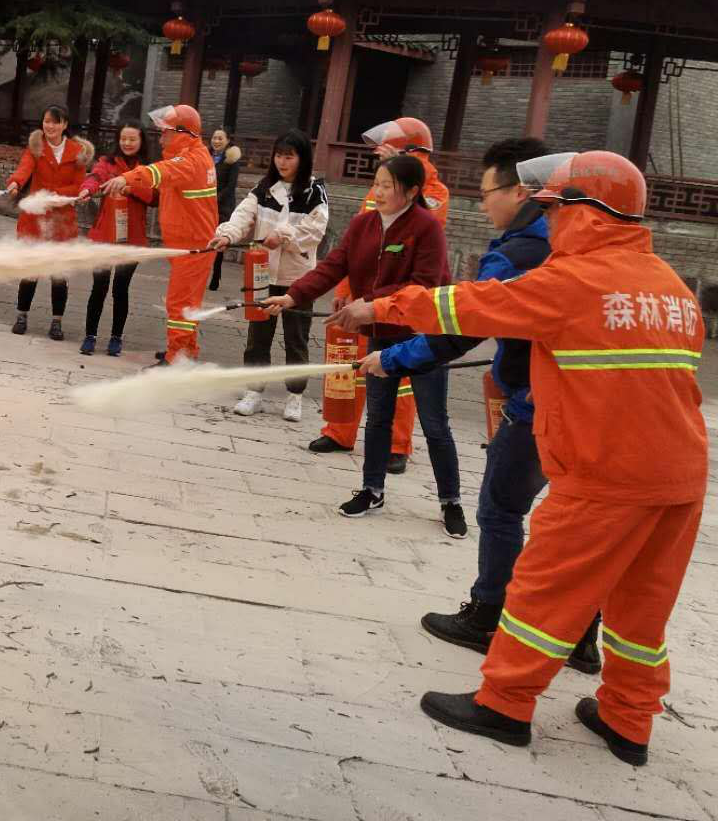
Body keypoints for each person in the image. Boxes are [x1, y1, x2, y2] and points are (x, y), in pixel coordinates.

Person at [331, 151, 707, 766]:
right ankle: (628, 720)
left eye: (555, 209)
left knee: (541, 592)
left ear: (585, 212)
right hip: (680, 477)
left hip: (603, 474)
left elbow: (467, 307)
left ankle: (504, 705)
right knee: (642, 606)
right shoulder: (671, 288)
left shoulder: (574, 281)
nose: (549, 220)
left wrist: (381, 308)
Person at [364, 138, 600, 673]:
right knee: (578, 528)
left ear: (522, 191)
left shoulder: (520, 255)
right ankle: (581, 637)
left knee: (501, 510)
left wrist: (391, 357)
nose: (482, 203)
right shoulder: (593, 257)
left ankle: (488, 615)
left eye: (488, 191)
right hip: (599, 415)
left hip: (541, 407)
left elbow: (462, 323)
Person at [265, 154, 466, 538]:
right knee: (378, 417)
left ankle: (450, 501)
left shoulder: (426, 228)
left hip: (424, 338)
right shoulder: (363, 224)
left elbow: (424, 284)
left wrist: (369, 303)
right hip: (382, 332)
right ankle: (372, 490)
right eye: (377, 184)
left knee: (434, 423)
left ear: (412, 191)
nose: (379, 191)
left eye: (388, 185)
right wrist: (292, 296)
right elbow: (333, 266)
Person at [310, 116, 450, 477]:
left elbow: (427, 220)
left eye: (389, 151)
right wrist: (345, 291)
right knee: (350, 364)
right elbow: (355, 248)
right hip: (363, 300)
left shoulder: (434, 192)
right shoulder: (380, 189)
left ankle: (396, 445)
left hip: (402, 303)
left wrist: (407, 169)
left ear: (410, 151)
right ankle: (339, 432)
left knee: (397, 376)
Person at [208, 128, 328, 422]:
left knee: (296, 338)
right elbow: (243, 215)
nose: (282, 162)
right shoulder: (264, 188)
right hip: (262, 274)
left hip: (298, 279)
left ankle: (295, 395)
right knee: (257, 336)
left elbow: (315, 231)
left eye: (289, 157)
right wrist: (227, 234)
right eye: (279, 156)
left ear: (303, 159)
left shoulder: (314, 192)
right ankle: (254, 391)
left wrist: (283, 235)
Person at [100, 104, 218, 364]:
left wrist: (126, 178)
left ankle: (176, 357)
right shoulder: (193, 156)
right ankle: (186, 351)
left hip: (193, 247)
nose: (161, 136)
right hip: (191, 245)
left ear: (183, 133)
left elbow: (157, 172)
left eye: (166, 131)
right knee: (187, 302)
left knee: (179, 303)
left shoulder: (190, 161)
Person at [5, 105, 94, 340]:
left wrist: (54, 195)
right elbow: (24, 169)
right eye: (46, 121)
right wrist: (15, 183)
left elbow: (78, 185)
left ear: (64, 125)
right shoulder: (36, 147)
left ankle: (57, 323)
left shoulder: (77, 152)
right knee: (30, 271)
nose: (50, 126)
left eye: (55, 122)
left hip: (62, 221)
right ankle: (22, 316)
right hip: (35, 219)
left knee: (58, 275)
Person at [76, 121, 153, 357]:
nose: (127, 143)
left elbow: (155, 196)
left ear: (141, 141)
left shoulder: (148, 169)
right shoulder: (107, 163)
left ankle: (116, 338)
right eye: (123, 138)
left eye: (132, 139)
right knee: (99, 287)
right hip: (103, 237)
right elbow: (95, 177)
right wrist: (87, 190)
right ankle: (90, 336)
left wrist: (129, 188)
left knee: (121, 289)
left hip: (132, 240)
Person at [208, 128, 244, 290]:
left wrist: (215, 199)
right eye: (214, 138)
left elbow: (231, 186)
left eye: (220, 138)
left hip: (222, 206)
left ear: (228, 140)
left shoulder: (232, 160)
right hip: (205, 205)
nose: (216, 141)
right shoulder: (206, 156)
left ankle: (216, 274)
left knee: (219, 239)